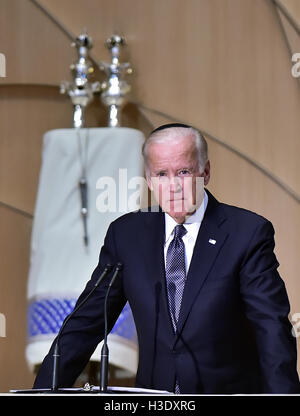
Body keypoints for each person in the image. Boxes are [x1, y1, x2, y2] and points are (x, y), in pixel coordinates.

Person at [33, 123, 300, 394]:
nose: (173, 186)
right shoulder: (126, 236)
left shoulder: (246, 234)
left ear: (205, 172)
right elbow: (84, 324)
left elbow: (272, 329)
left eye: (183, 172)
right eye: (161, 174)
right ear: (148, 179)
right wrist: (43, 393)